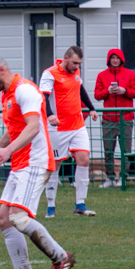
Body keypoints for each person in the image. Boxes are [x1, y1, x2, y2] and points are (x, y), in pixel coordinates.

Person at [0, 54, 77, 269]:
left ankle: (61, 257)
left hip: (35, 162)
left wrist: (7, 151)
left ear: (0, 70)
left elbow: (33, 127)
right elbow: (13, 131)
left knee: (18, 218)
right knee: (4, 219)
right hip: (21, 163)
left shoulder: (25, 90)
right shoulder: (7, 95)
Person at [39, 46, 98, 218]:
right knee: (55, 165)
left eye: (79, 63)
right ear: (65, 58)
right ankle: (51, 206)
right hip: (57, 128)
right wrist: (50, 115)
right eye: (74, 63)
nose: (76, 66)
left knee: (84, 159)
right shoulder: (50, 74)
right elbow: (43, 96)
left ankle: (80, 204)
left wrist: (91, 108)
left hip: (77, 125)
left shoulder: (76, 72)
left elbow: (80, 89)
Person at [94, 48, 135, 188]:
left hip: (125, 119)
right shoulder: (102, 75)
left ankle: (123, 178)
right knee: (108, 150)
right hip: (108, 119)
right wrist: (107, 91)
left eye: (117, 58)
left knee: (126, 150)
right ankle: (109, 177)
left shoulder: (130, 74)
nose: (115, 60)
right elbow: (97, 95)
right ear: (109, 60)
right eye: (112, 58)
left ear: (121, 59)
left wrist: (124, 91)